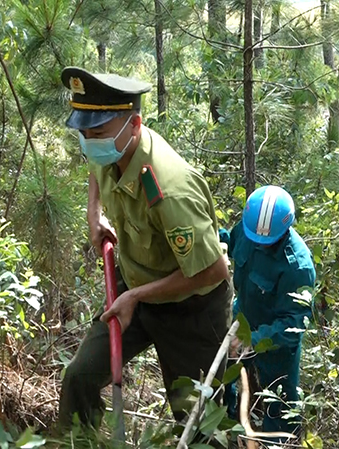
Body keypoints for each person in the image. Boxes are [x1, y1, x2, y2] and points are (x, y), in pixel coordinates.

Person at [57, 67, 233, 428]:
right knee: (79, 377)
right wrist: (95, 213)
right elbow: (95, 163)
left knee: (199, 421)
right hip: (134, 289)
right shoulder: (110, 146)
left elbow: (212, 270)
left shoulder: (170, 187)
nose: (89, 141)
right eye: (84, 133)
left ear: (134, 125)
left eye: (98, 133)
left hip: (192, 308)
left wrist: (135, 297)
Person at [220, 185, 316, 441]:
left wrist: (254, 340)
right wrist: (216, 240)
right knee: (225, 375)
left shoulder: (298, 267)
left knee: (282, 407)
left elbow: (294, 325)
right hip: (243, 317)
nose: (259, 245)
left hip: (276, 345)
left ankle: (277, 443)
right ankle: (228, 430)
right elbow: (231, 243)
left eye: (268, 241)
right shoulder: (246, 230)